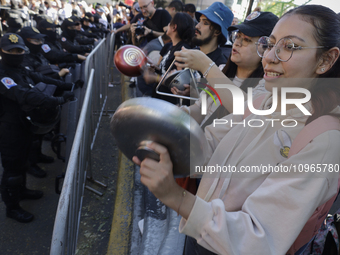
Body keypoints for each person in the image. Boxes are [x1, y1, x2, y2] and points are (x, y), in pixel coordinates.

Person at [133, 4, 340, 255]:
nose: (270, 57)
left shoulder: (324, 140)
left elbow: (259, 238)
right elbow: (210, 142)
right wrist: (164, 136)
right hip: (199, 229)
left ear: (326, 60)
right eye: (270, 44)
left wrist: (176, 198)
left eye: (290, 47)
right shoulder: (266, 101)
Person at [0, 33, 75, 222]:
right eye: (11, 51)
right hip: (8, 128)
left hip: (23, 122)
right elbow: (25, 95)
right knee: (12, 169)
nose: (16, 54)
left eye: (19, 50)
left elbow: (39, 77)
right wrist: (58, 99)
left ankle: (22, 191)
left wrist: (66, 86)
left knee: (23, 162)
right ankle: (12, 207)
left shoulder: (19, 67)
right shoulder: (3, 74)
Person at [177, 11, 279, 127]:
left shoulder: (264, 88)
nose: (237, 43)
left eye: (247, 40)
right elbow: (201, 109)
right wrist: (183, 112)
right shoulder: (221, 70)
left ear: (266, 48)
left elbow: (245, 112)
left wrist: (205, 65)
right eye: (238, 36)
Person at [142, 12, 194, 102]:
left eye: (170, 23)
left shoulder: (183, 50)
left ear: (174, 27)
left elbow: (179, 83)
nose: (167, 25)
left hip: (170, 103)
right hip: (159, 97)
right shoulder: (168, 46)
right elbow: (165, 70)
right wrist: (155, 69)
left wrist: (155, 78)